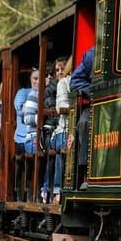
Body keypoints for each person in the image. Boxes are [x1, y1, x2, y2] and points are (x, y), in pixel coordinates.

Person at [69, 47, 94, 188]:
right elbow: (75, 81)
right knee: (85, 122)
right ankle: (85, 173)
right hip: (95, 103)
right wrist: (95, 92)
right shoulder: (92, 54)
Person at [14, 68, 40, 201]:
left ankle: (31, 192)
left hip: (35, 134)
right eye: (35, 78)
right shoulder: (22, 92)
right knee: (20, 162)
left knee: (33, 163)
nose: (37, 81)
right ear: (30, 79)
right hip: (21, 135)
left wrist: (28, 107)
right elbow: (20, 110)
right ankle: (18, 191)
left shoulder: (43, 92)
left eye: (39, 79)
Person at [49, 57, 72, 203]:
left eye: (62, 69)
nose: (59, 72)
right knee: (62, 146)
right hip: (62, 128)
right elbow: (61, 106)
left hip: (73, 127)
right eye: (57, 70)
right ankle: (58, 189)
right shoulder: (63, 83)